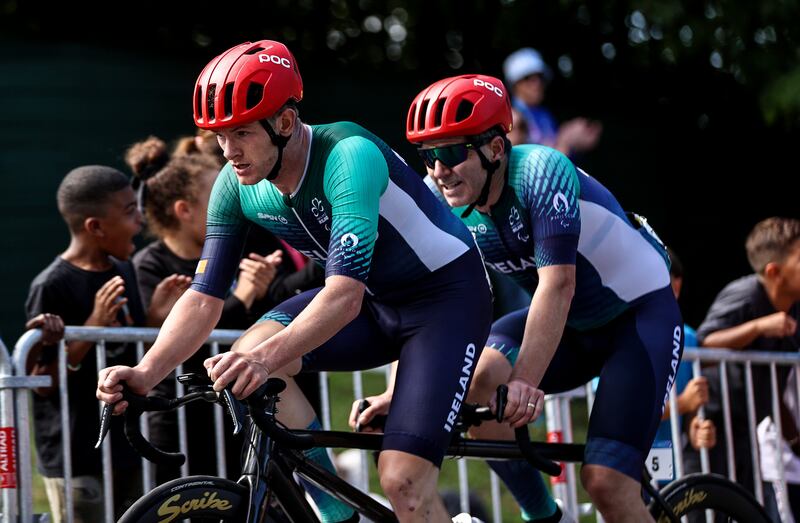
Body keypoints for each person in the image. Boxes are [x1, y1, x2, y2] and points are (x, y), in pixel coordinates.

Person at [97, 40, 492, 523]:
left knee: (402, 482)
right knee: (252, 347)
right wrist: (146, 372)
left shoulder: (348, 157)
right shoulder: (234, 185)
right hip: (374, 298)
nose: (229, 150)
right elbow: (203, 299)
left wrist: (263, 361)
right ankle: (334, 512)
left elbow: (342, 298)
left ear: (284, 123)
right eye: (220, 135)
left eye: (241, 132)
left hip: (443, 302)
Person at [402, 74, 682, 522]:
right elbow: (421, 301)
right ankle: (545, 516)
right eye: (428, 155)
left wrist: (525, 381)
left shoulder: (539, 171)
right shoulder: (442, 195)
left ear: (496, 149)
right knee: (477, 378)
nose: (438, 170)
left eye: (451, 152)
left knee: (606, 482)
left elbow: (559, 285)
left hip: (637, 318)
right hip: (571, 325)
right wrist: (399, 394)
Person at [25, 165, 179, 522]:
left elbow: (131, 347)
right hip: (76, 452)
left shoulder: (123, 271)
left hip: (126, 444)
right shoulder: (51, 285)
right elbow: (42, 383)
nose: (140, 220)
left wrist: (154, 319)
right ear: (95, 226)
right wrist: (91, 326)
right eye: (129, 211)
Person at [694, 217, 800, 520]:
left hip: (748, 432)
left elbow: (773, 380)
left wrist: (794, 439)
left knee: (756, 511)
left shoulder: (794, 308)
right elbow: (705, 344)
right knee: (715, 511)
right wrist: (759, 327)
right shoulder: (746, 294)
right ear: (774, 271)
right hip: (712, 427)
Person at [503, 47, 602, 158]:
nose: (537, 83)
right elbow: (522, 167)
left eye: (540, 77)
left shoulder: (544, 115)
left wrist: (573, 141)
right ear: (514, 84)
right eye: (528, 78)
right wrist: (566, 140)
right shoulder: (511, 119)